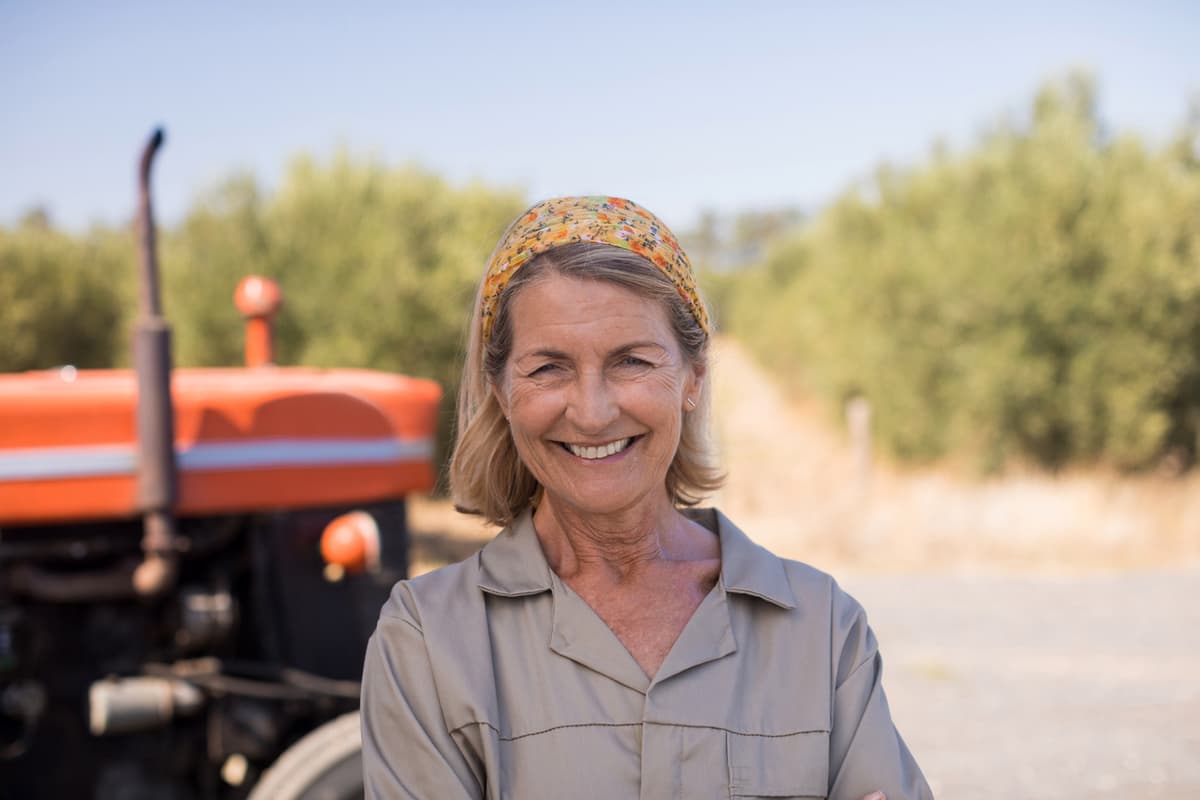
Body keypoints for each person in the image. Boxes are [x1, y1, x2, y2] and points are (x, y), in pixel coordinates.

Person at [361, 196, 933, 799]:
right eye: (549, 368)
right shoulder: (428, 641)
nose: (592, 411)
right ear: (501, 392)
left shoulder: (820, 628)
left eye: (631, 361)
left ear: (693, 378)